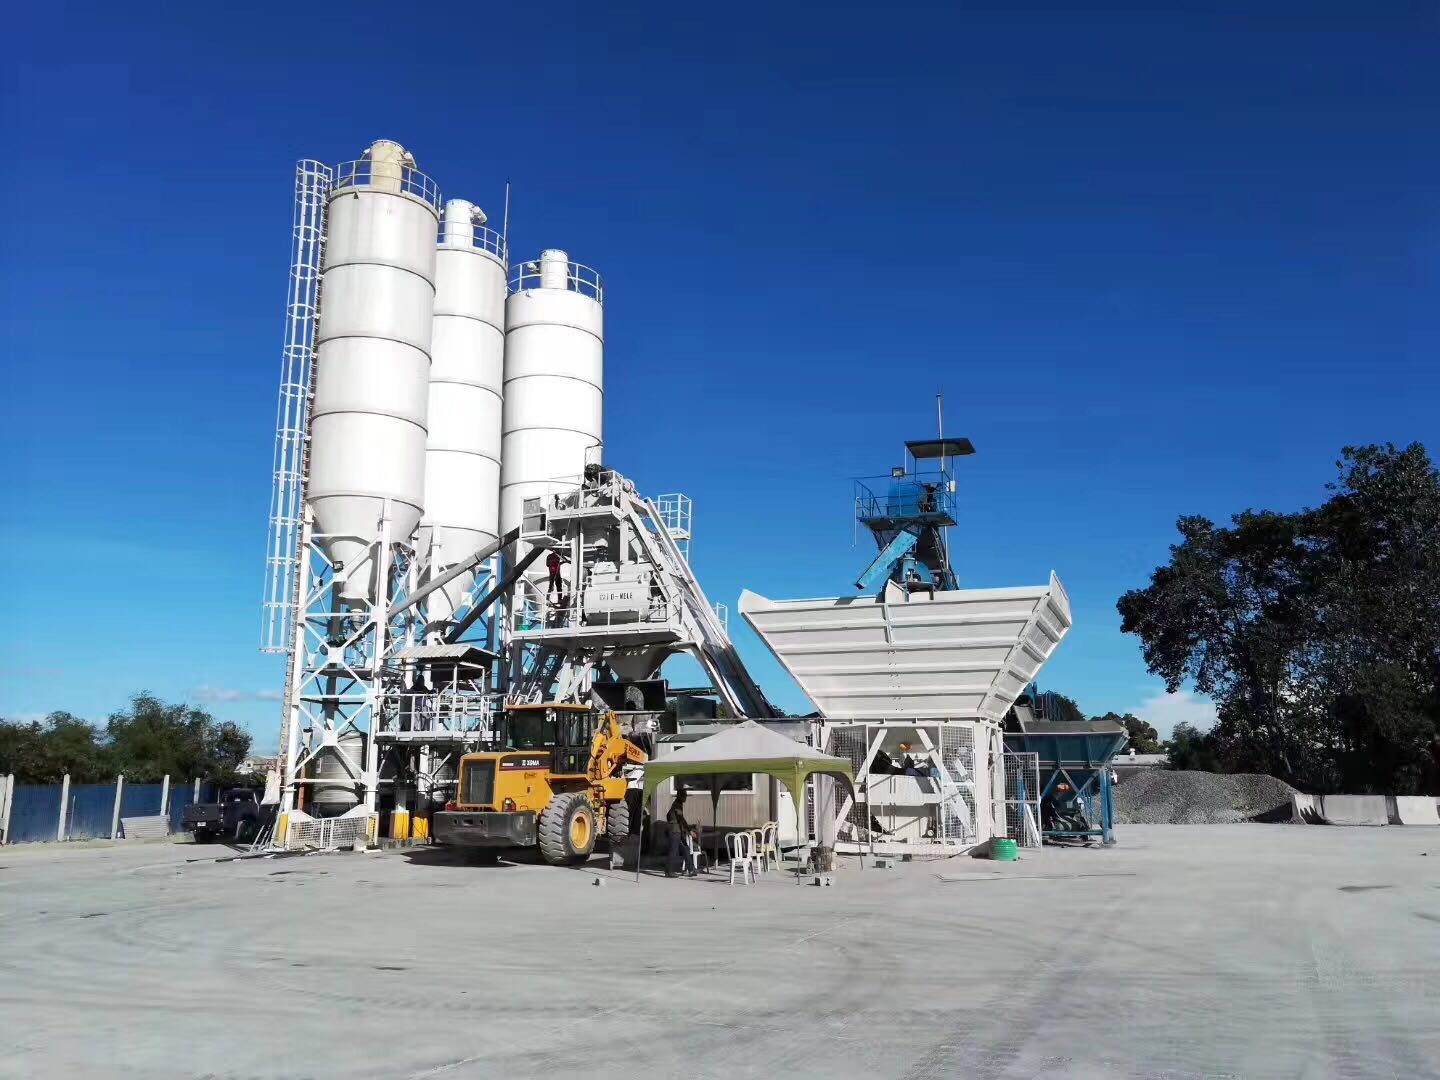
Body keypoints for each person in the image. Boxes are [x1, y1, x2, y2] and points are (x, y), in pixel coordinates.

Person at [665, 790, 697, 877]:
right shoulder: (677, 805)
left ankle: (691, 869)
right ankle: (669, 871)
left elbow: (668, 816)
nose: (685, 797)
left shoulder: (677, 805)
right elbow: (681, 819)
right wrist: (689, 830)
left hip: (677, 831)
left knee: (685, 849)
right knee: (673, 851)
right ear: (680, 796)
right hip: (674, 831)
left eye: (686, 796)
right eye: (684, 796)